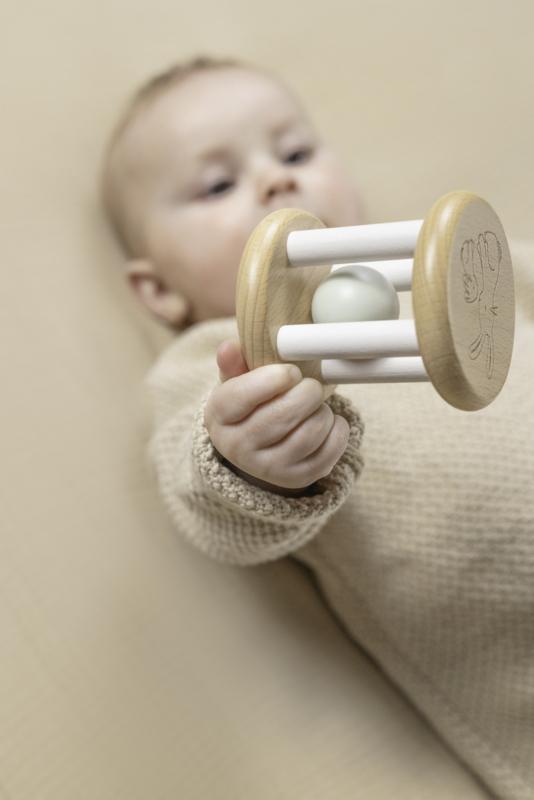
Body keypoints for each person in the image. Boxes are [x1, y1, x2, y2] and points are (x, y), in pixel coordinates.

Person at [100, 55, 534, 800]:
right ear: (157, 289)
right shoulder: (216, 361)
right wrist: (246, 462)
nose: (276, 180)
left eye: (295, 151)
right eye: (217, 184)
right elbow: (197, 478)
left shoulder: (449, 263)